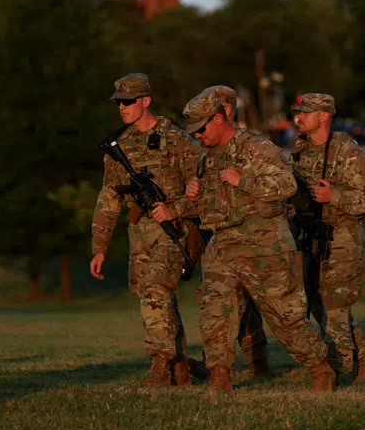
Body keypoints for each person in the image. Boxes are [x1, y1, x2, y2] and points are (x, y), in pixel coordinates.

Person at [155, 89, 334, 392]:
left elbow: (286, 184)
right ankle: (219, 377)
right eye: (194, 132)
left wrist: (243, 180)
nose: (198, 136)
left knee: (285, 319)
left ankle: (320, 368)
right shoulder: (207, 158)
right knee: (215, 311)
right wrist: (187, 201)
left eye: (202, 129)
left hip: (264, 244)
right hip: (223, 244)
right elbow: (213, 203)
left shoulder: (256, 148)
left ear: (219, 117)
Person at [90, 73, 197, 388]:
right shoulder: (118, 145)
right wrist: (100, 247)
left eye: (128, 102)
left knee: (155, 293)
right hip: (140, 236)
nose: (122, 108)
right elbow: (109, 199)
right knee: (159, 301)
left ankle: (159, 369)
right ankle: (180, 370)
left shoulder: (177, 138)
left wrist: (176, 209)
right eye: (118, 103)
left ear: (145, 101)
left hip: (173, 231)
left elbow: (204, 187)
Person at [290, 93, 365, 383]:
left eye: (305, 112)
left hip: (342, 239)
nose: (299, 117)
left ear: (324, 116)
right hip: (312, 237)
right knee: (318, 305)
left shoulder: (348, 152)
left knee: (335, 306)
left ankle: (338, 370)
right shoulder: (301, 150)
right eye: (299, 112)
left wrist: (336, 196)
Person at [196, 85, 271, 380]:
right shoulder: (207, 150)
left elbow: (276, 188)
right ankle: (218, 368)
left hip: (255, 236)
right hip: (220, 236)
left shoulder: (254, 144)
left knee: (260, 305)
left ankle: (259, 361)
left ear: (227, 110)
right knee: (219, 301)